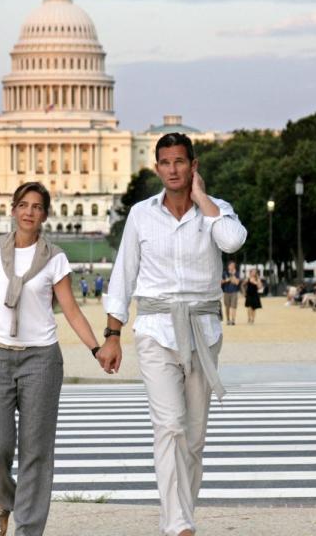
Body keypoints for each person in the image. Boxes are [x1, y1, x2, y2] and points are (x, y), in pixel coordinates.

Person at [101, 132, 247, 536]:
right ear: (156, 167)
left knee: (194, 437)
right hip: (155, 328)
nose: (172, 170)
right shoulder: (141, 214)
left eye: (180, 162)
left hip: (202, 329)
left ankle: (179, 514)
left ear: (193, 165)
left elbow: (233, 242)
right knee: (169, 427)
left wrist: (204, 202)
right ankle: (179, 525)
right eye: (165, 163)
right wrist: (112, 333)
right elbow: (123, 273)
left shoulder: (217, 211)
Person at [0, 182, 109, 536]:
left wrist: (96, 348)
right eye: (23, 204)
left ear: (45, 215)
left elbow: (70, 309)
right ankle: (4, 500)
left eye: (37, 206)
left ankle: (29, 529)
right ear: (12, 209)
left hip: (41, 359)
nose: (29, 212)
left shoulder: (55, 258)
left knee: (36, 451)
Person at [221, 260, 241, 325]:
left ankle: (233, 320)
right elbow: (220, 282)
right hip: (226, 292)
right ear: (228, 266)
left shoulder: (237, 273)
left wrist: (233, 275)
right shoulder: (224, 273)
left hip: (234, 292)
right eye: (231, 265)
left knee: (233, 306)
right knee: (227, 307)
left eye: (233, 266)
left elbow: (237, 283)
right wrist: (226, 280)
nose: (232, 267)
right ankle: (228, 320)